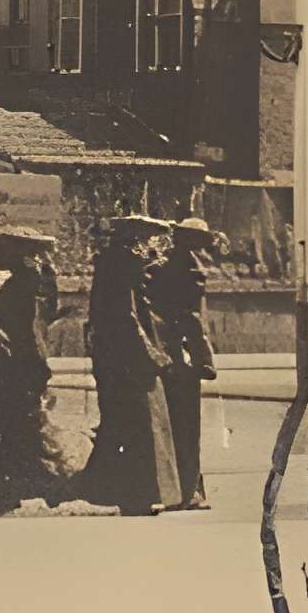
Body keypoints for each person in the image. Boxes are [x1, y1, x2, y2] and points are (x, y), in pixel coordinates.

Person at [80, 215, 183, 515]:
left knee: (121, 424)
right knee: (137, 426)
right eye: (146, 237)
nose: (150, 243)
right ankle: (136, 495)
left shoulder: (114, 261)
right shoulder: (123, 263)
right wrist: (152, 355)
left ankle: (103, 489)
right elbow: (128, 317)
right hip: (127, 358)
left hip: (115, 356)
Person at [0, 226, 74, 508]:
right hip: (24, 360)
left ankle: (41, 483)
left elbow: (27, 327)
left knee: (22, 422)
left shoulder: (23, 284)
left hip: (20, 360)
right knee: (24, 422)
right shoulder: (33, 282)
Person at [153, 218, 224, 512]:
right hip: (182, 353)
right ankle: (189, 490)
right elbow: (193, 319)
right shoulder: (190, 269)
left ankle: (178, 489)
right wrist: (204, 358)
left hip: (165, 349)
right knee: (187, 425)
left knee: (171, 423)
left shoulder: (161, 265)